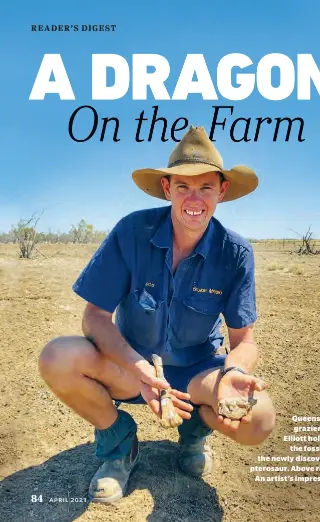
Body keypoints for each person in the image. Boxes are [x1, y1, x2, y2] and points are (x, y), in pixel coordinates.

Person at [39, 126, 276, 504]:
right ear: (167, 189)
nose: (194, 199)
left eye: (205, 187)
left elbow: (243, 340)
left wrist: (233, 374)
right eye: (183, 187)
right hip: (129, 368)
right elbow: (95, 317)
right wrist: (139, 368)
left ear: (222, 191)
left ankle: (195, 431)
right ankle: (118, 443)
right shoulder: (132, 232)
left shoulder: (236, 254)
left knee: (259, 419)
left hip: (196, 371)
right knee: (58, 357)